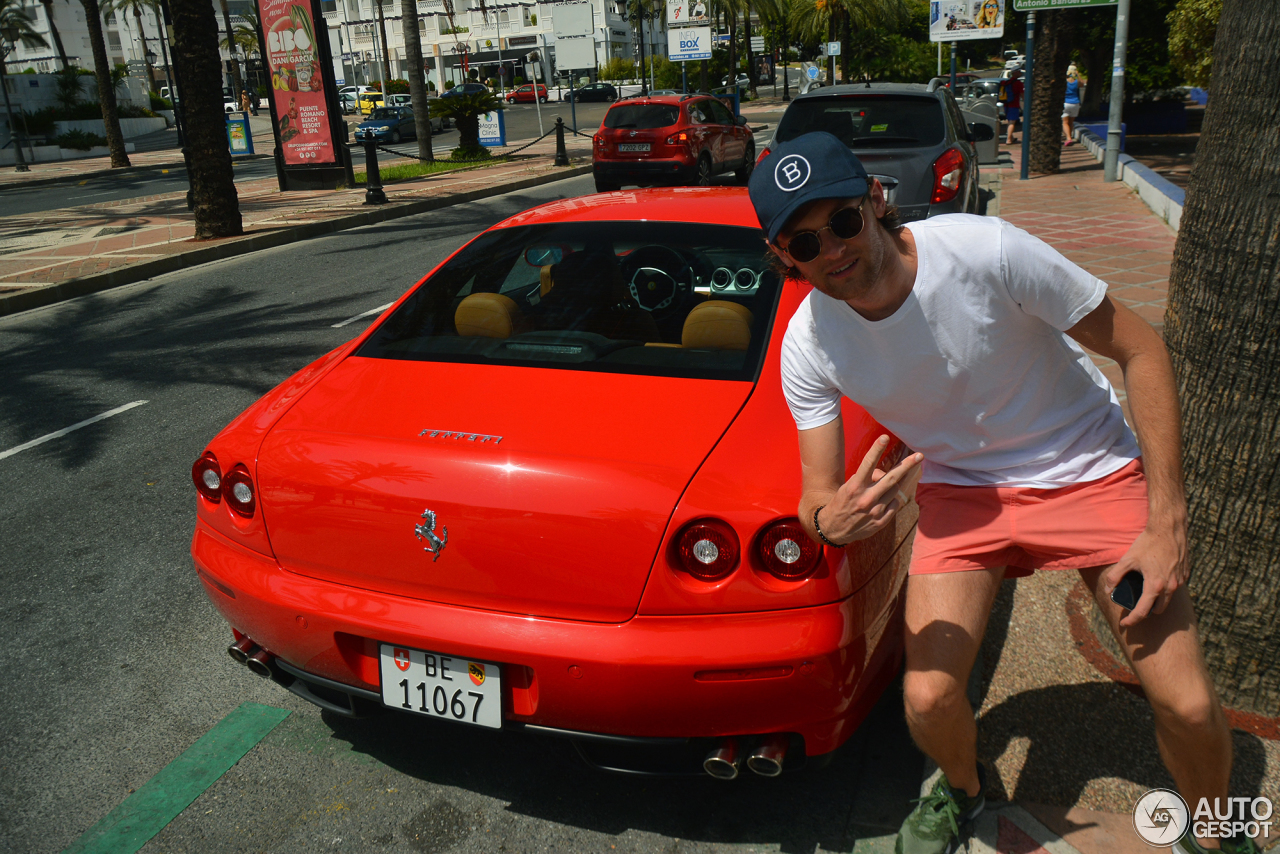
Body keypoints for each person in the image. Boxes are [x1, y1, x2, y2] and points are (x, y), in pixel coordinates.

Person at [745, 131, 1256, 854]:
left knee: (1190, 702)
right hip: (966, 491)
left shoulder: (984, 252)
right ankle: (962, 789)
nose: (830, 248)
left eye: (842, 221)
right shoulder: (809, 344)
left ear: (875, 202)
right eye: (803, 242)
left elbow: (1141, 348)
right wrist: (835, 521)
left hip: (1091, 467)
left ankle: (1218, 831)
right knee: (927, 699)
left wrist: (1167, 520)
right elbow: (817, 500)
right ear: (783, 258)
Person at [1001, 68, 1023, 145]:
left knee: (1009, 121)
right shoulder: (1018, 83)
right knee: (1012, 122)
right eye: (1019, 72)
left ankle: (1012, 137)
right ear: (1015, 73)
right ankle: (1009, 139)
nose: (1020, 73)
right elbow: (1022, 95)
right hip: (1014, 105)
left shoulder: (1006, 82)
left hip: (1006, 104)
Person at [1062, 64, 1081, 145]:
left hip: (1066, 103)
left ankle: (1068, 138)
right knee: (1071, 122)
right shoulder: (1076, 82)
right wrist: (1078, 74)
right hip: (1075, 103)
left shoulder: (1064, 82)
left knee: (1065, 122)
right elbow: (1082, 84)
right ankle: (1069, 136)